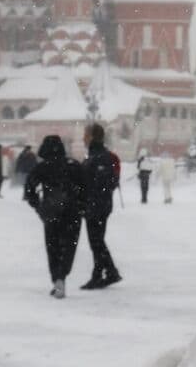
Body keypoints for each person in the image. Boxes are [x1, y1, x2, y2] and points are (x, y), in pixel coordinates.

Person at [23, 134, 84, 299]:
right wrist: (81, 206)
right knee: (69, 247)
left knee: (53, 247)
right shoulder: (73, 165)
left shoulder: (42, 167)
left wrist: (39, 206)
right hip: (72, 213)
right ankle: (63, 274)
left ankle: (58, 278)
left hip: (51, 212)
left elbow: (29, 190)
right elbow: (86, 187)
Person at [80, 123, 122, 289]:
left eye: (85, 135)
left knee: (96, 241)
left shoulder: (99, 157)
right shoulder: (98, 156)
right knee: (97, 241)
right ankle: (99, 274)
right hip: (99, 205)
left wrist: (89, 197)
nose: (83, 138)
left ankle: (111, 272)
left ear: (91, 137)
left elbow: (103, 183)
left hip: (96, 206)